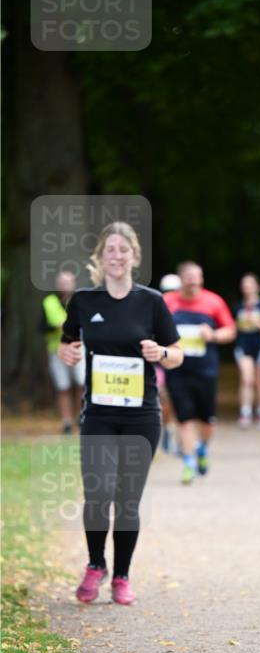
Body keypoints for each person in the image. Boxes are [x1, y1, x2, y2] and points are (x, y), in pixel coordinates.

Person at [58, 221, 183, 605]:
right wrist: (69, 353)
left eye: (123, 249)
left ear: (134, 256)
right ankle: (96, 564)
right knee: (97, 491)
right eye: (109, 249)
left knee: (127, 497)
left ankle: (122, 576)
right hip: (98, 412)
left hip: (141, 414)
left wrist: (160, 354)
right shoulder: (83, 300)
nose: (116, 255)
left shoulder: (151, 301)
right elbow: (67, 343)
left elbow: (177, 353)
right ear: (100, 257)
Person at [163, 261, 236, 483]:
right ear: (181, 279)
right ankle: (189, 463)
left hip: (206, 370)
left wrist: (213, 335)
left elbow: (230, 331)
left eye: (198, 277)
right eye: (189, 277)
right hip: (177, 370)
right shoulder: (167, 302)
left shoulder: (213, 302)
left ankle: (202, 449)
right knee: (184, 419)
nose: (194, 282)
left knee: (207, 421)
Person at [42, 268, 85, 434]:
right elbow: (41, 327)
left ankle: (80, 416)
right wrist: (56, 326)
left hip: (78, 347)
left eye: (68, 282)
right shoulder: (49, 302)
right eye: (62, 282)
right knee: (63, 386)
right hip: (57, 350)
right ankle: (66, 421)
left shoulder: (80, 300)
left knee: (81, 383)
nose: (65, 286)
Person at [233, 273, 260, 429]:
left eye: (250, 284)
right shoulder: (238, 306)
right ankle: (245, 412)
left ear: (257, 286)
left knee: (259, 380)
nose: (247, 287)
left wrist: (256, 321)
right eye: (244, 284)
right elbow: (233, 327)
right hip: (243, 345)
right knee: (246, 379)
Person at [157, 273, 182, 453]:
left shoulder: (183, 307)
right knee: (164, 396)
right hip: (161, 359)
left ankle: (172, 431)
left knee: (175, 398)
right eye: (167, 291)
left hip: (179, 359)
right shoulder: (157, 307)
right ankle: (167, 429)